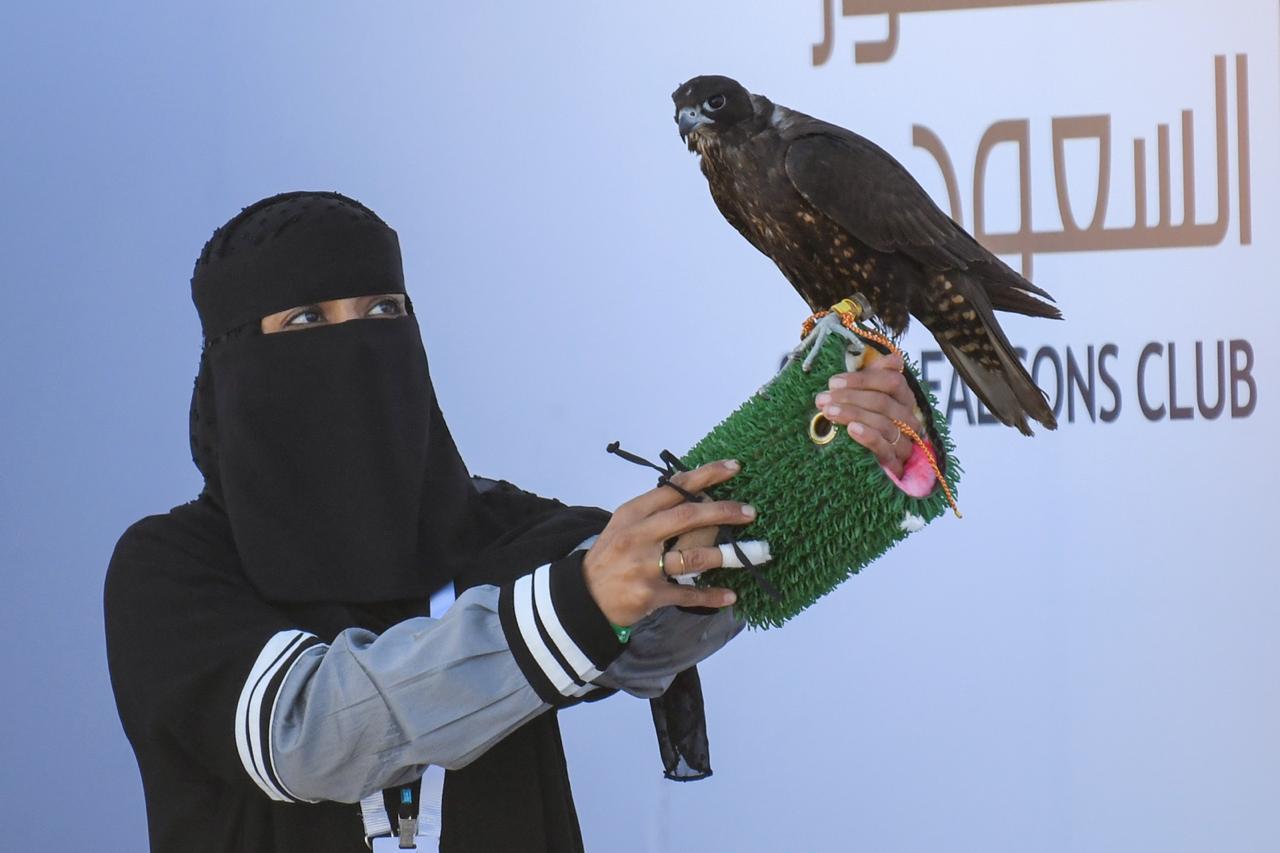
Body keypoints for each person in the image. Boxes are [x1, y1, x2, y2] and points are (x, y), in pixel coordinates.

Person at [104, 191, 929, 852]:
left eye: (383, 309)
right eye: (308, 321)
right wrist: (580, 602)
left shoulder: (492, 524)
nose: (357, 346)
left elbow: (665, 606)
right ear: (234, 363)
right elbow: (310, 733)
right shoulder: (170, 568)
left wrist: (834, 446)